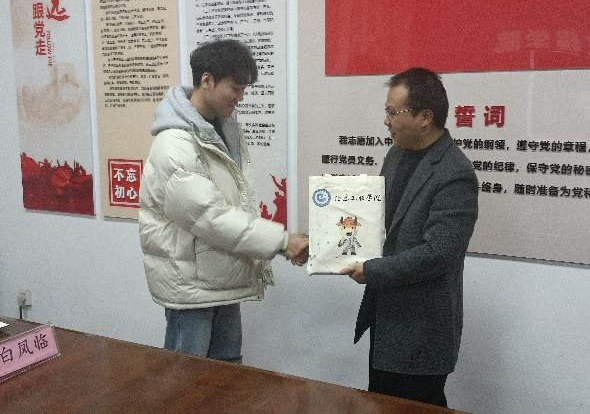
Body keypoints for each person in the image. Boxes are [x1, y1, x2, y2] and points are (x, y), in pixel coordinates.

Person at [139, 39, 308, 364]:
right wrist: (282, 241)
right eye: (235, 87)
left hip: (221, 275)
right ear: (207, 80)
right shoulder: (174, 144)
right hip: (191, 287)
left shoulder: (222, 129)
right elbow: (211, 217)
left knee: (228, 373)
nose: (241, 97)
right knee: (187, 378)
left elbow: (234, 204)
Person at [340, 67, 478, 407]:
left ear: (424, 117)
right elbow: (379, 220)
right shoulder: (397, 154)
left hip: (422, 325)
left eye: (392, 112)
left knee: (418, 404)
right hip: (386, 314)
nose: (386, 121)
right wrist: (332, 240)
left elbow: (438, 254)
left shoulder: (455, 173)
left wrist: (372, 270)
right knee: (382, 401)